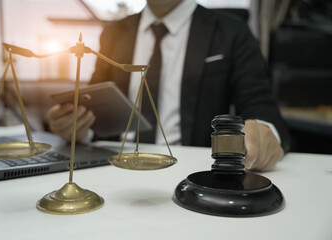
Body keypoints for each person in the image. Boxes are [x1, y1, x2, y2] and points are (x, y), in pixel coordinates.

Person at [47, 0, 291, 172]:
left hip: (193, 170)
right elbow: (97, 103)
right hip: (114, 165)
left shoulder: (230, 32)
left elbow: (260, 103)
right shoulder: (114, 33)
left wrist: (263, 132)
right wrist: (78, 127)